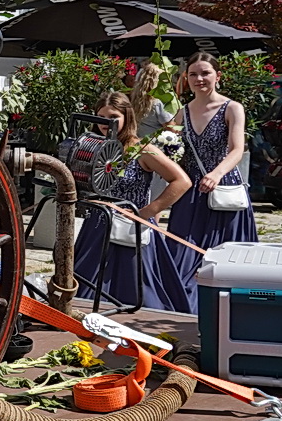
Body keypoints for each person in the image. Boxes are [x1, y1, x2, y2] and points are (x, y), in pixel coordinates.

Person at [73, 92, 194, 312]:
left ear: (127, 117)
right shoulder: (93, 147)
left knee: (140, 291)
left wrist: (147, 212)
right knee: (85, 290)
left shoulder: (143, 150)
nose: (106, 123)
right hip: (96, 229)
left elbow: (182, 181)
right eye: (101, 116)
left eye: (113, 116)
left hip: (132, 230)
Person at [166, 52, 257, 306]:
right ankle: (182, 303)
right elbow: (170, 148)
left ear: (217, 76)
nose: (199, 79)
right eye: (193, 74)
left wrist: (216, 174)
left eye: (205, 73)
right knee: (182, 252)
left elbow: (237, 150)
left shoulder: (232, 108)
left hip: (223, 189)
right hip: (190, 190)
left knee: (225, 256)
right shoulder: (181, 113)